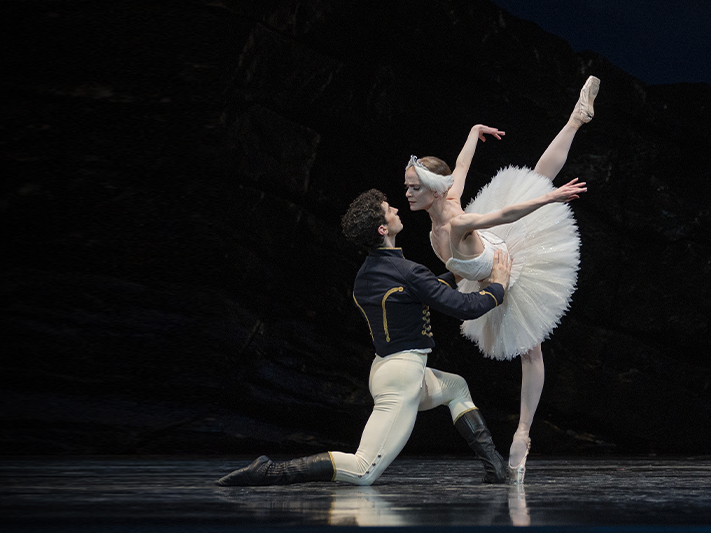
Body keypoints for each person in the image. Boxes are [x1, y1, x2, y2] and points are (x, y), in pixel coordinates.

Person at [215, 190, 514, 486]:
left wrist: (459, 273)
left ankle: (495, 468)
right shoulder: (407, 272)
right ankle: (270, 472)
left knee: (456, 388)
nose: (396, 209)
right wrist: (497, 287)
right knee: (363, 469)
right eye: (389, 209)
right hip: (403, 377)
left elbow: (418, 293)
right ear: (383, 229)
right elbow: (464, 306)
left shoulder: (367, 276)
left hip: (388, 370)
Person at [402, 75, 597, 483]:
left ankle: (523, 433)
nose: (408, 194)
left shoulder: (456, 221)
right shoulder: (446, 202)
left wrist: (550, 198)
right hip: (484, 264)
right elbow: (462, 165)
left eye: (415, 188)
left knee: (531, 352)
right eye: (407, 187)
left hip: (506, 264)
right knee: (534, 179)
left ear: (434, 193)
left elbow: (504, 216)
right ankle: (576, 120)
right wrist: (474, 131)